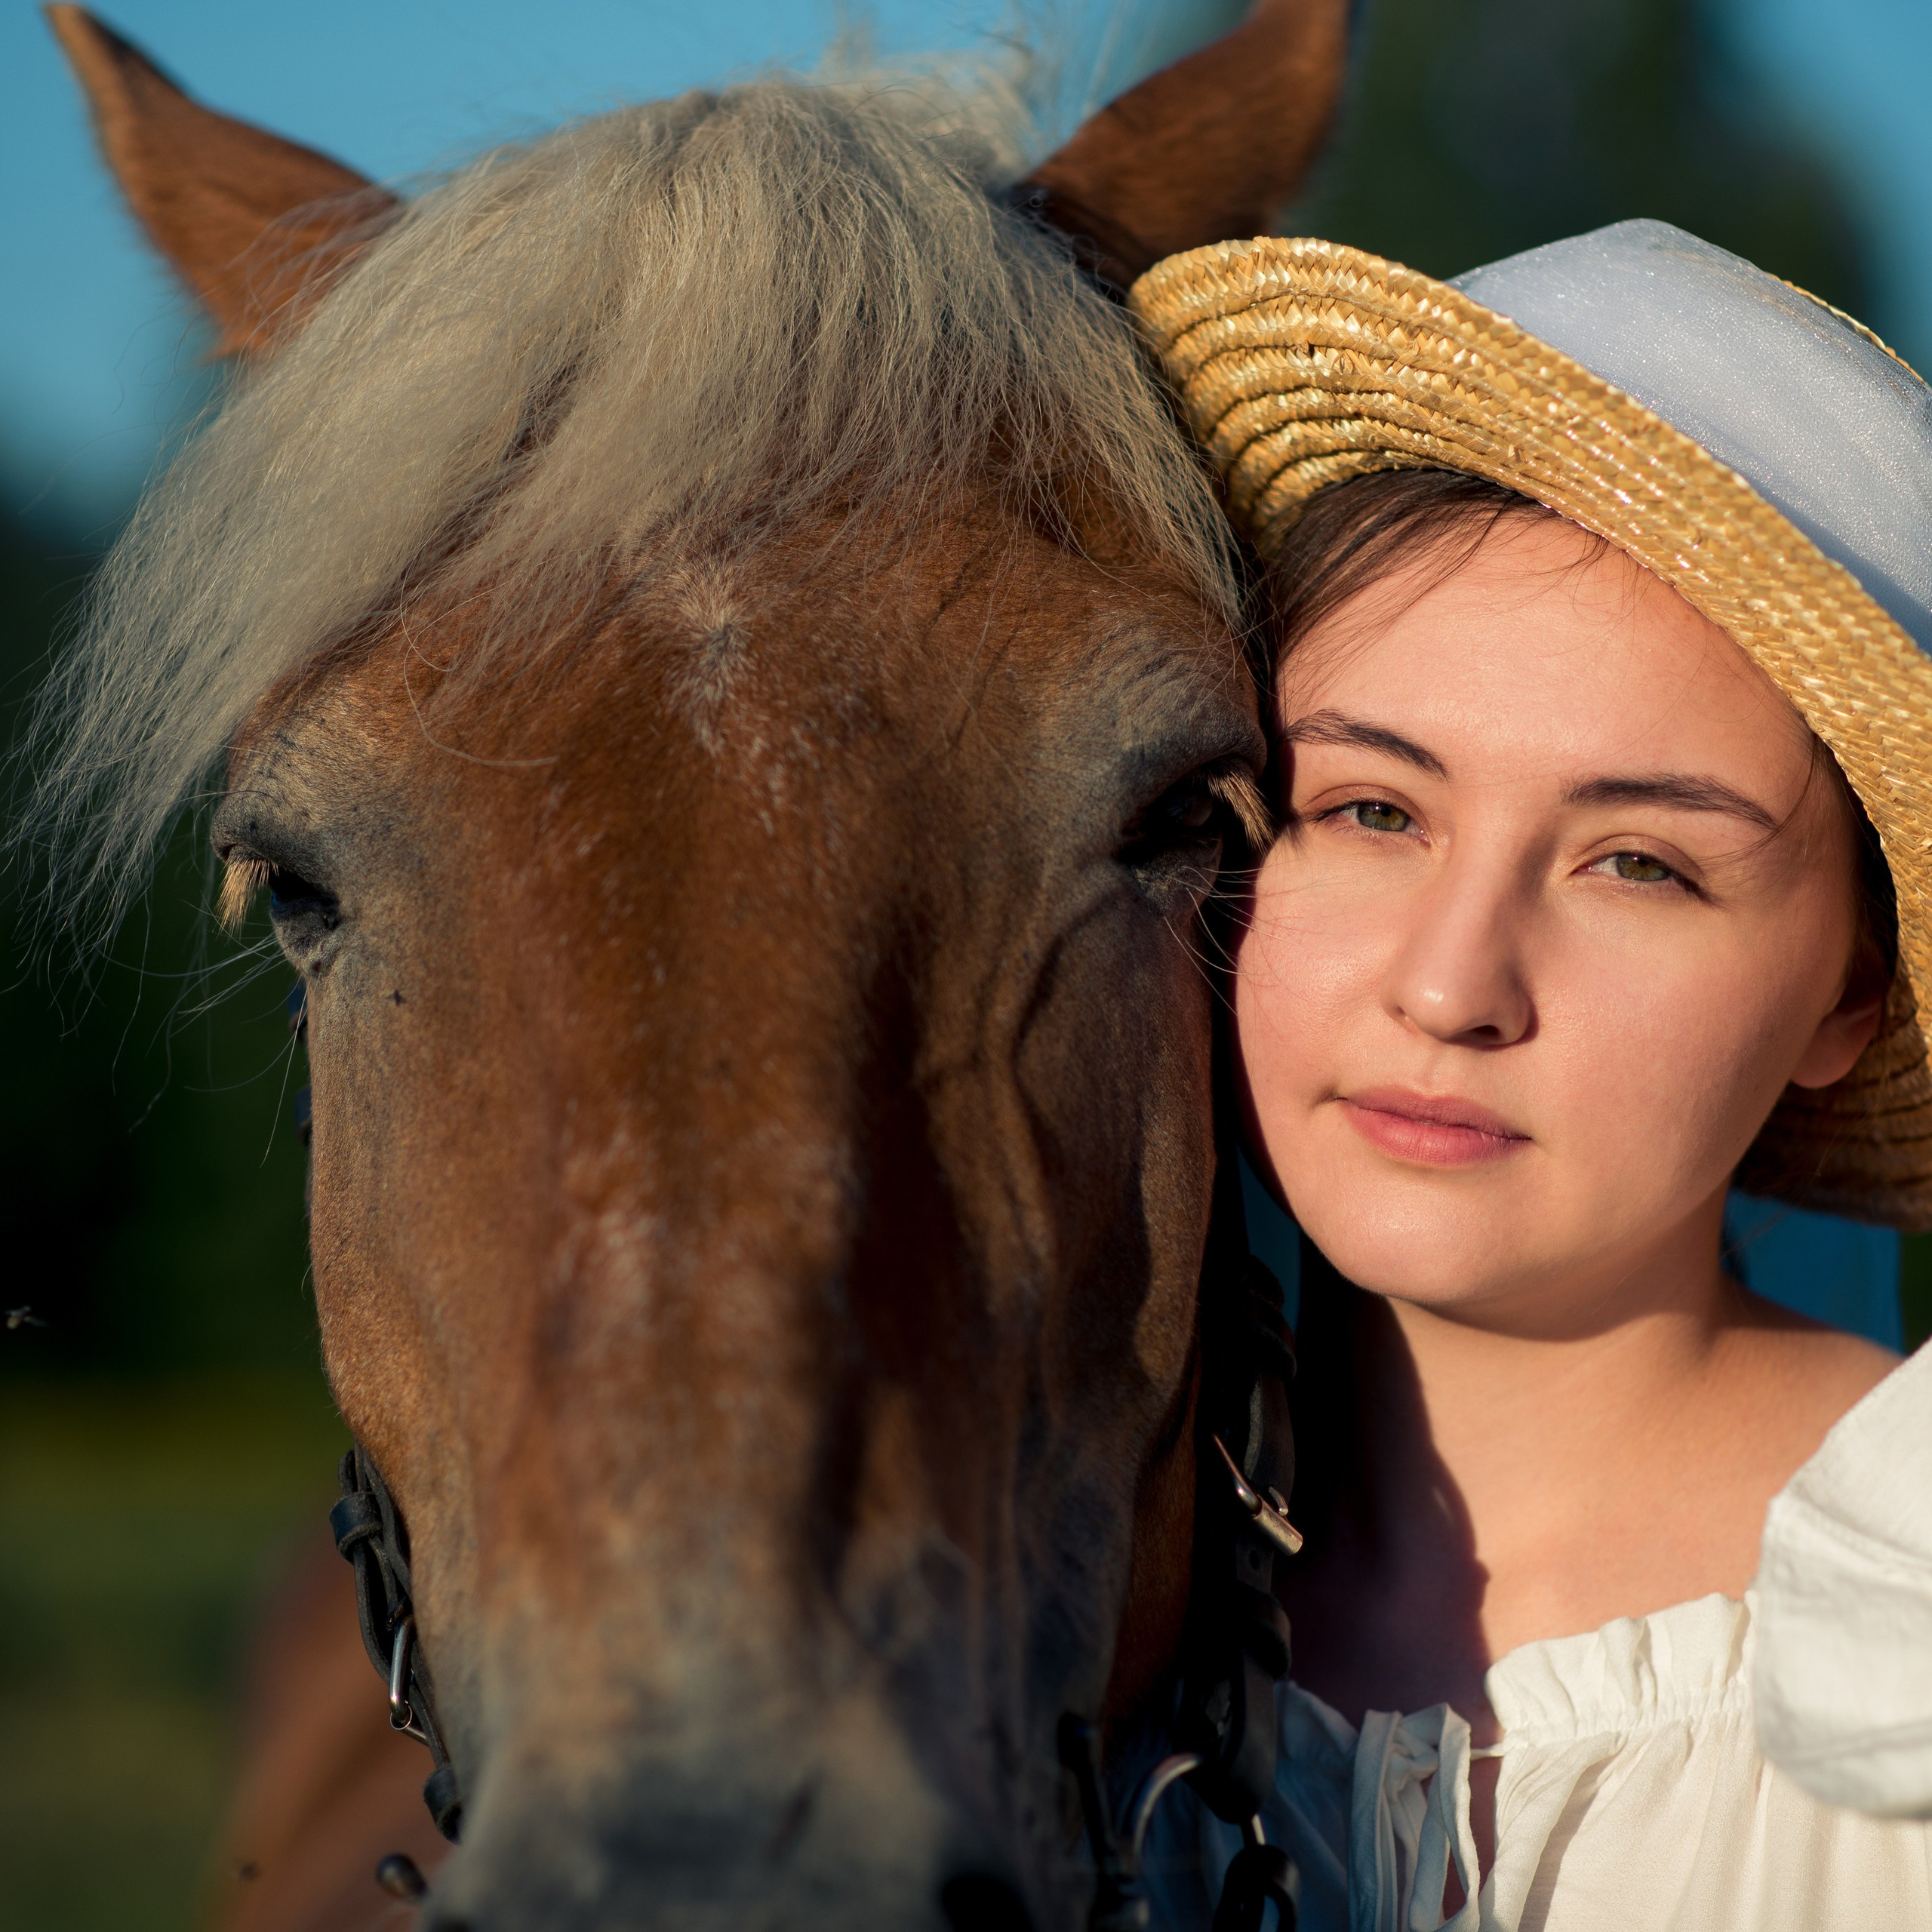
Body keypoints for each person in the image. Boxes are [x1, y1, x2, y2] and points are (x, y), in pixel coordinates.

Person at [1129, 220, 1932, 1927]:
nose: (1449, 981)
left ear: (1844, 994)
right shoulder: (1042, 1602)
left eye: (1638, 863)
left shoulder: (1907, 1637)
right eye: (1367, 809)